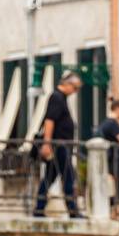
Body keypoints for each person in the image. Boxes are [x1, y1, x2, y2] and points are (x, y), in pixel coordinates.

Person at [33, 71, 84, 218]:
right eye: (75, 88)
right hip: (58, 145)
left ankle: (39, 208)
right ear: (67, 84)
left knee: (50, 177)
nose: (75, 92)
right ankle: (72, 210)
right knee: (68, 176)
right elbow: (50, 120)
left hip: (60, 145)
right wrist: (47, 143)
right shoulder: (56, 97)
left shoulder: (61, 98)